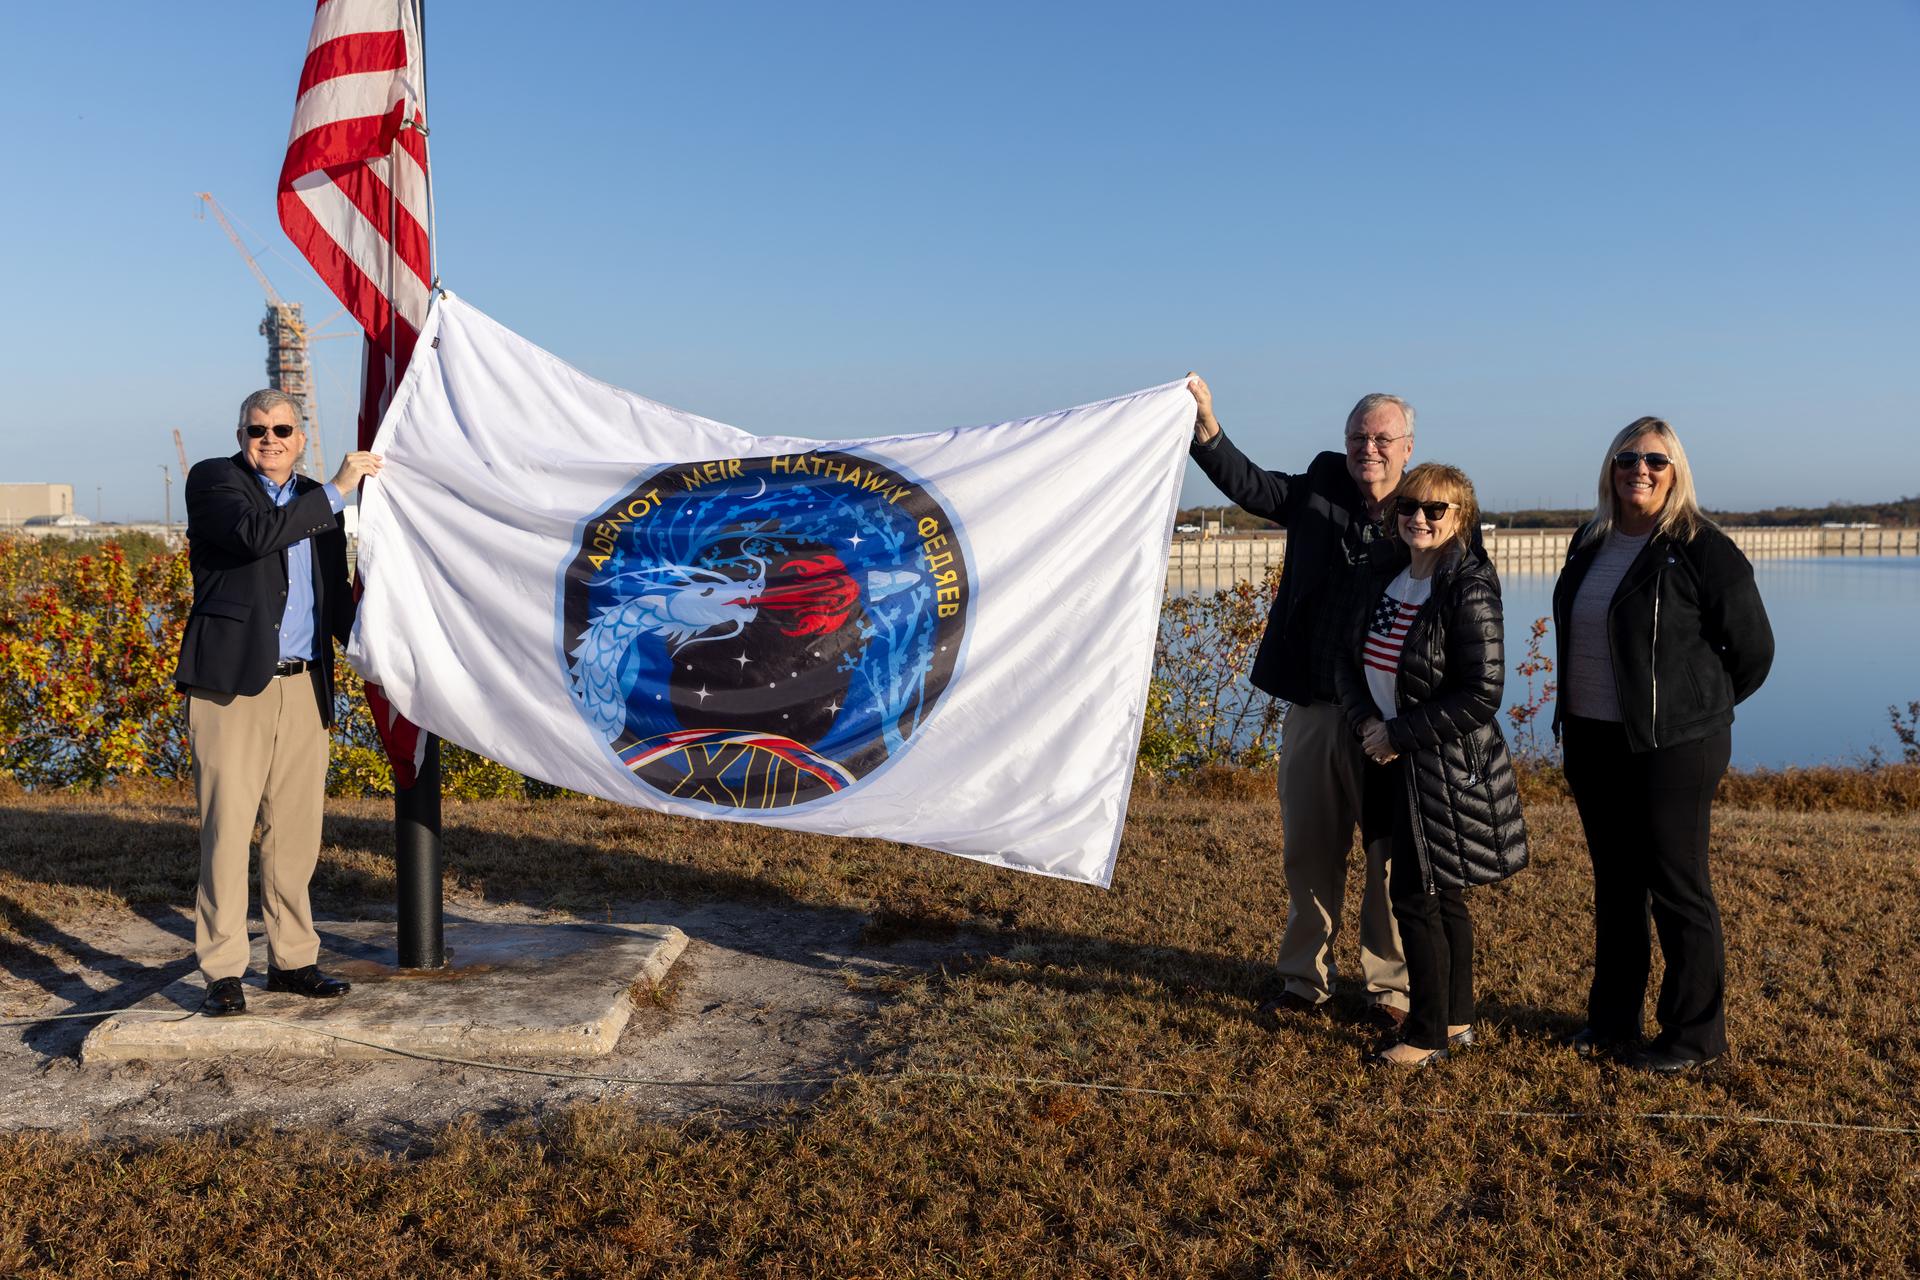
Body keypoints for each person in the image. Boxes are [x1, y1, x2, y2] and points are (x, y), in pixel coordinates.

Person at [1185, 375, 1410, 1033]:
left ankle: (1388, 991)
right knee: (1309, 850)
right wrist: (1208, 428)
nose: (1368, 449)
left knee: (1387, 859)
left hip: (1390, 722)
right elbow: (1252, 487)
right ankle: (1303, 980)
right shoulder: (1319, 487)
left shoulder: (1427, 509)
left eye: (1381, 439)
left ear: (1407, 447)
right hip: (1315, 707)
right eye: (1357, 438)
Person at [1552, 417, 1772, 1072]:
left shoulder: (1702, 547)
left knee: (1678, 888)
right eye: (1626, 458)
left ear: (1675, 471)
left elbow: (1753, 652)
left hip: (1673, 747)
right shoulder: (1590, 540)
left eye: (1654, 460)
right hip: (1593, 739)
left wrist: (1695, 711)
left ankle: (1695, 1036)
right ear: (1610, 469)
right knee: (1617, 887)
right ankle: (1613, 1020)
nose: (1638, 470)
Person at [174, 389, 383, 1016]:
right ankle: (223, 972)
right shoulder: (215, 482)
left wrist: (383, 649)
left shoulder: (315, 497)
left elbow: (332, 597)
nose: (270, 438)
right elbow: (252, 537)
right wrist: (339, 491)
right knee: (227, 830)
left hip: (304, 684)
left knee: (296, 833)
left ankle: (292, 961)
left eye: (283, 428)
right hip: (232, 688)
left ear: (301, 435)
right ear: (241, 434)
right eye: (257, 429)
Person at [1336, 463, 1529, 1067]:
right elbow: (1348, 657)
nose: (1418, 517)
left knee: (1420, 898)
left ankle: (1424, 1035)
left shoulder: (1467, 586)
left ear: (1460, 517)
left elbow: (1482, 693)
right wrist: (1368, 722)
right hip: (1387, 754)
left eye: (1434, 509)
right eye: (1409, 507)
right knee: (1440, 896)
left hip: (1439, 766)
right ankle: (1456, 1018)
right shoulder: (1388, 575)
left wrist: (1398, 734)